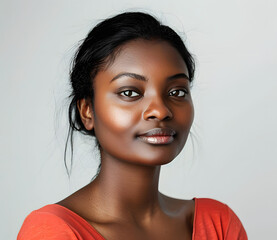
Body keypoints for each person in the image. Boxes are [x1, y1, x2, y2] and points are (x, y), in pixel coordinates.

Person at [17, 12, 247, 240]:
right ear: (87, 110)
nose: (160, 110)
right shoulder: (53, 231)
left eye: (176, 92)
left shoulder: (219, 225)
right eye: (129, 92)